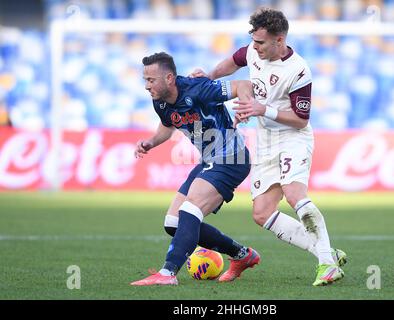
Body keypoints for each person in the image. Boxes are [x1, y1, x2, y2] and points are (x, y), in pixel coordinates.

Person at [190, 8, 347, 286]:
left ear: (279, 39)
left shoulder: (298, 70)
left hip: (293, 138)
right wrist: (209, 77)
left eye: (261, 42)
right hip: (266, 142)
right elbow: (233, 61)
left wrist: (264, 109)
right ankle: (326, 252)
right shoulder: (253, 51)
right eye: (253, 41)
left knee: (294, 194)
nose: (255, 47)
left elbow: (301, 120)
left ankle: (327, 264)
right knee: (262, 213)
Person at [130, 52, 260, 286]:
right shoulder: (159, 101)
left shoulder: (199, 88)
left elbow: (244, 85)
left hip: (232, 158)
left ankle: (168, 273)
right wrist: (151, 141)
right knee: (173, 223)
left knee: (189, 210)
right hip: (209, 161)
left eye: (151, 80)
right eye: (145, 80)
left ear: (169, 78)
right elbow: (167, 125)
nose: (147, 86)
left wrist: (244, 107)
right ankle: (242, 255)